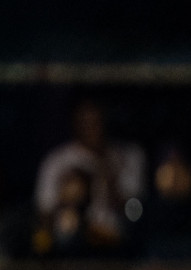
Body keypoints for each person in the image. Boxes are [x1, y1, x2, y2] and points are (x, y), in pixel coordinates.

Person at [34, 99, 144, 242]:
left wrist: (110, 181)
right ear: (75, 125)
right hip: (74, 245)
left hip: (119, 243)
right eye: (86, 123)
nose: (93, 130)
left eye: (97, 122)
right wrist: (67, 199)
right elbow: (43, 214)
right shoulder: (57, 161)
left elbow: (136, 214)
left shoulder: (129, 155)